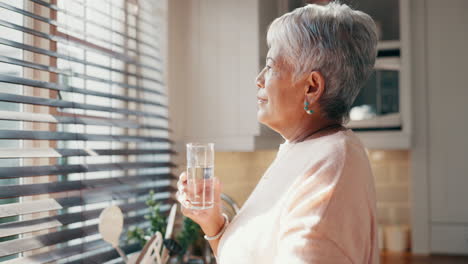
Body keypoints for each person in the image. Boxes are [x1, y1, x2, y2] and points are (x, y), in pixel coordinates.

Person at [177, 2, 379, 263]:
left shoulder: (330, 167)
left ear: (311, 87)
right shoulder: (301, 150)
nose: (259, 78)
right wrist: (212, 221)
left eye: (271, 66)